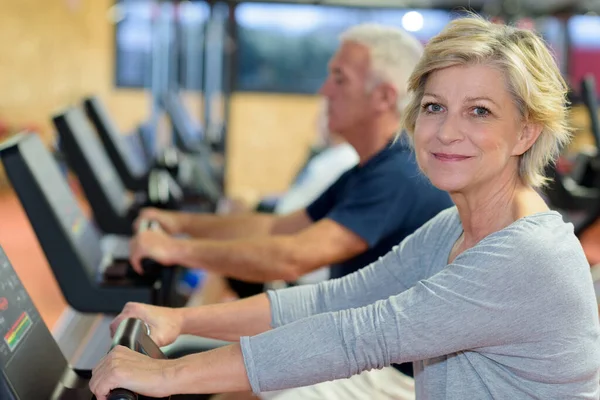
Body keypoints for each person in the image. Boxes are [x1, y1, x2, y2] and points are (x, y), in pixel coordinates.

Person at [90, 15, 600, 400]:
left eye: (480, 112)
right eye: (434, 107)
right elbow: (332, 302)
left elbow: (358, 337)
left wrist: (168, 374)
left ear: (527, 132)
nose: (446, 131)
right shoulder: (454, 227)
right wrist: (182, 322)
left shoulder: (525, 256)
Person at [126, 24, 452, 295]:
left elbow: (292, 257)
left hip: (390, 370)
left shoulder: (400, 173)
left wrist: (176, 250)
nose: (325, 91)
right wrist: (180, 225)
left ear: (383, 97)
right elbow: (278, 227)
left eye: (339, 79)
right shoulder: (371, 168)